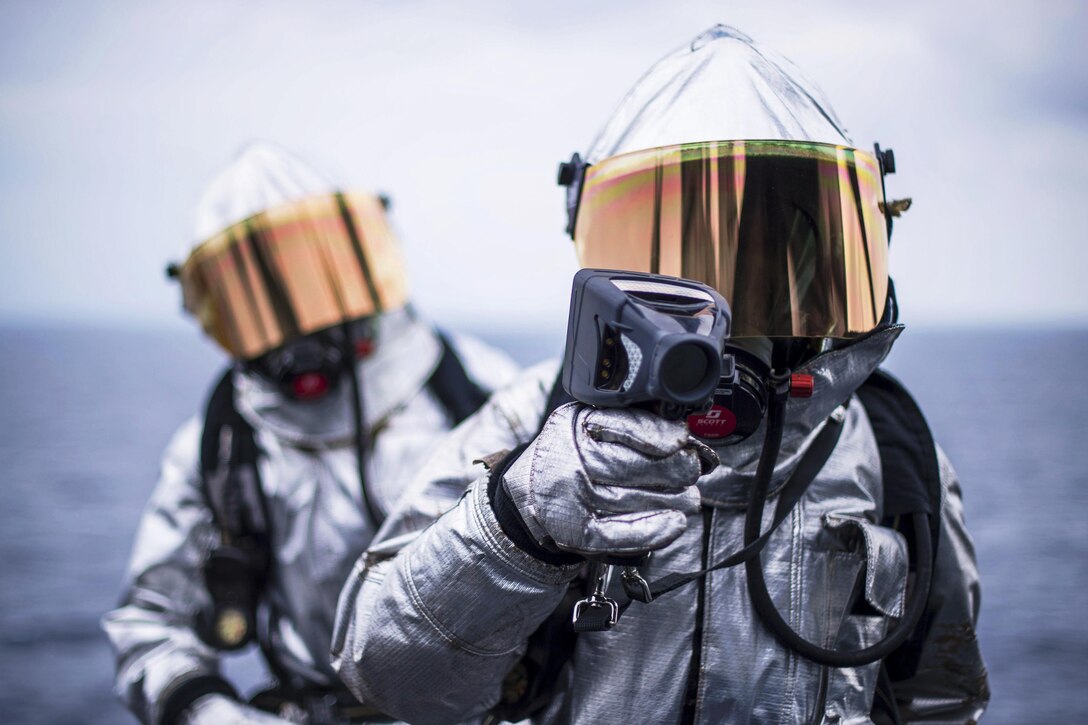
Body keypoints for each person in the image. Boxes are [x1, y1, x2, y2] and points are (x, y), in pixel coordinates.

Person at [330, 26, 989, 724]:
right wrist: (517, 524)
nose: (731, 317)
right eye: (685, 268)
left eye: (766, 269)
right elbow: (385, 674)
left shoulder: (893, 453)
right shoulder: (533, 430)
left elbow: (940, 698)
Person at [102, 143, 520, 725]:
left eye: (307, 278)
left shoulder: (481, 396)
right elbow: (151, 622)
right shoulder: (222, 445)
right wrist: (207, 712)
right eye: (257, 297)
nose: (296, 321)